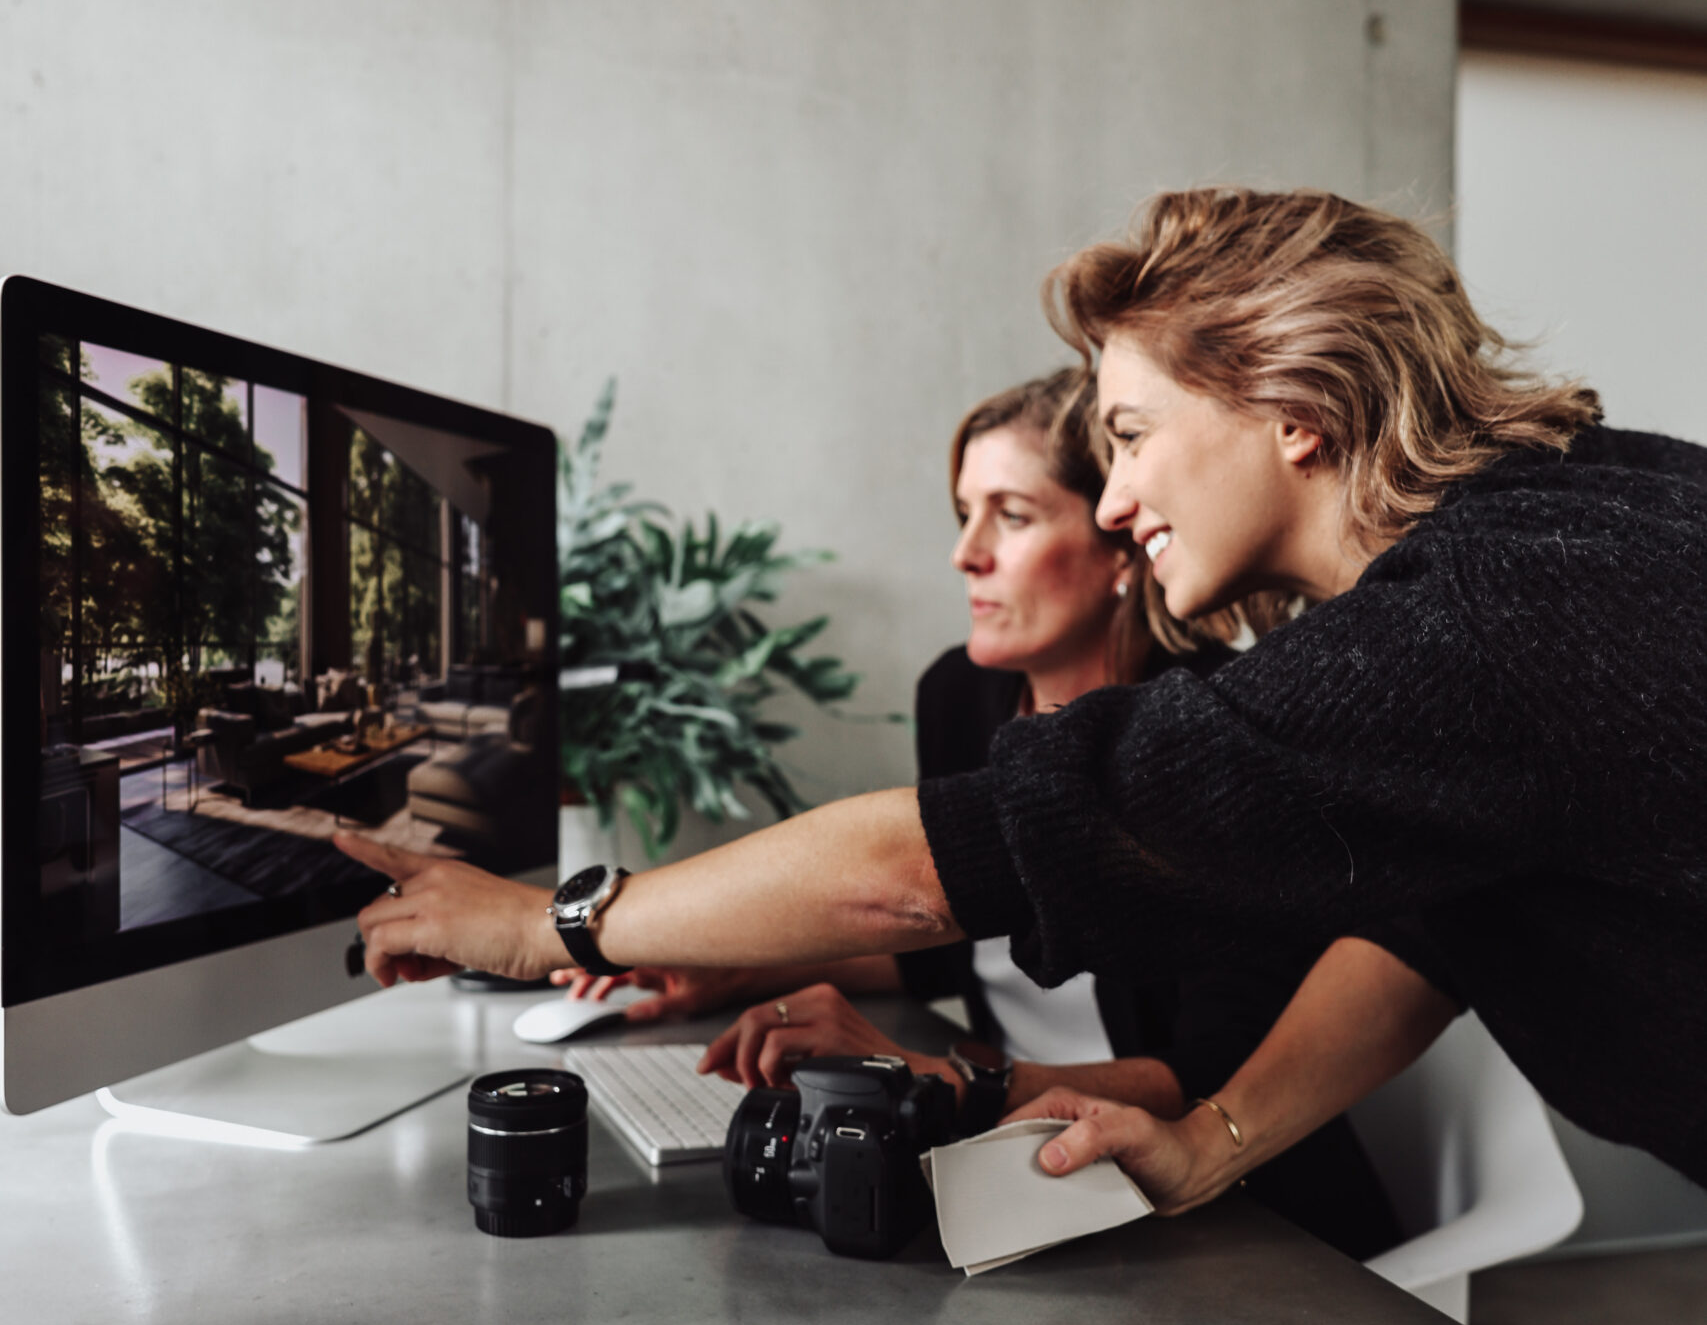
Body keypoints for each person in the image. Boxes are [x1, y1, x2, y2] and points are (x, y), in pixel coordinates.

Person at [341, 186, 1707, 1219]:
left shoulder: (1464, 618)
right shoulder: (1562, 518)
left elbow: (921, 870)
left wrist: (544, 923)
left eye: (1127, 437)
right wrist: (1210, 1139)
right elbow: (1428, 929)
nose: (1115, 503)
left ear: (1292, 407)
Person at [558, 367, 1397, 1255]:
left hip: (1237, 1213)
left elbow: (1209, 1069)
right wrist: (732, 972)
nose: (967, 553)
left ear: (1121, 535)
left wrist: (946, 1080)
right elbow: (961, 934)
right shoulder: (962, 696)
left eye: (1014, 515)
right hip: (1026, 1172)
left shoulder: (1218, 732)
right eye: (964, 514)